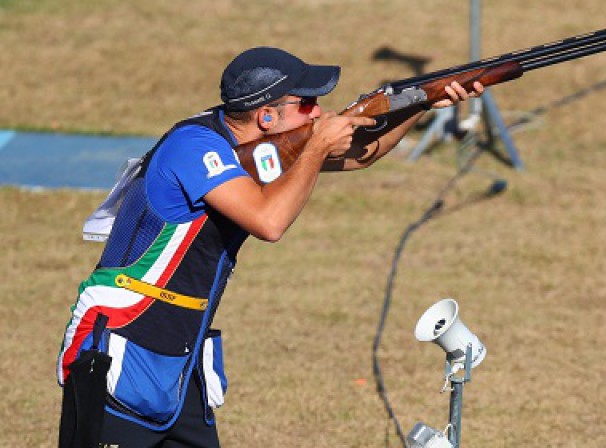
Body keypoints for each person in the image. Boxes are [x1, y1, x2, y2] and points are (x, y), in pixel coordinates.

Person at [56, 46, 484, 447]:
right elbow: (269, 222)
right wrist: (316, 146)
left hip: (181, 354)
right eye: (307, 104)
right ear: (266, 117)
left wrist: (422, 102)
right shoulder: (194, 147)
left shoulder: (247, 143)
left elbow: (363, 153)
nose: (318, 112)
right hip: (121, 345)